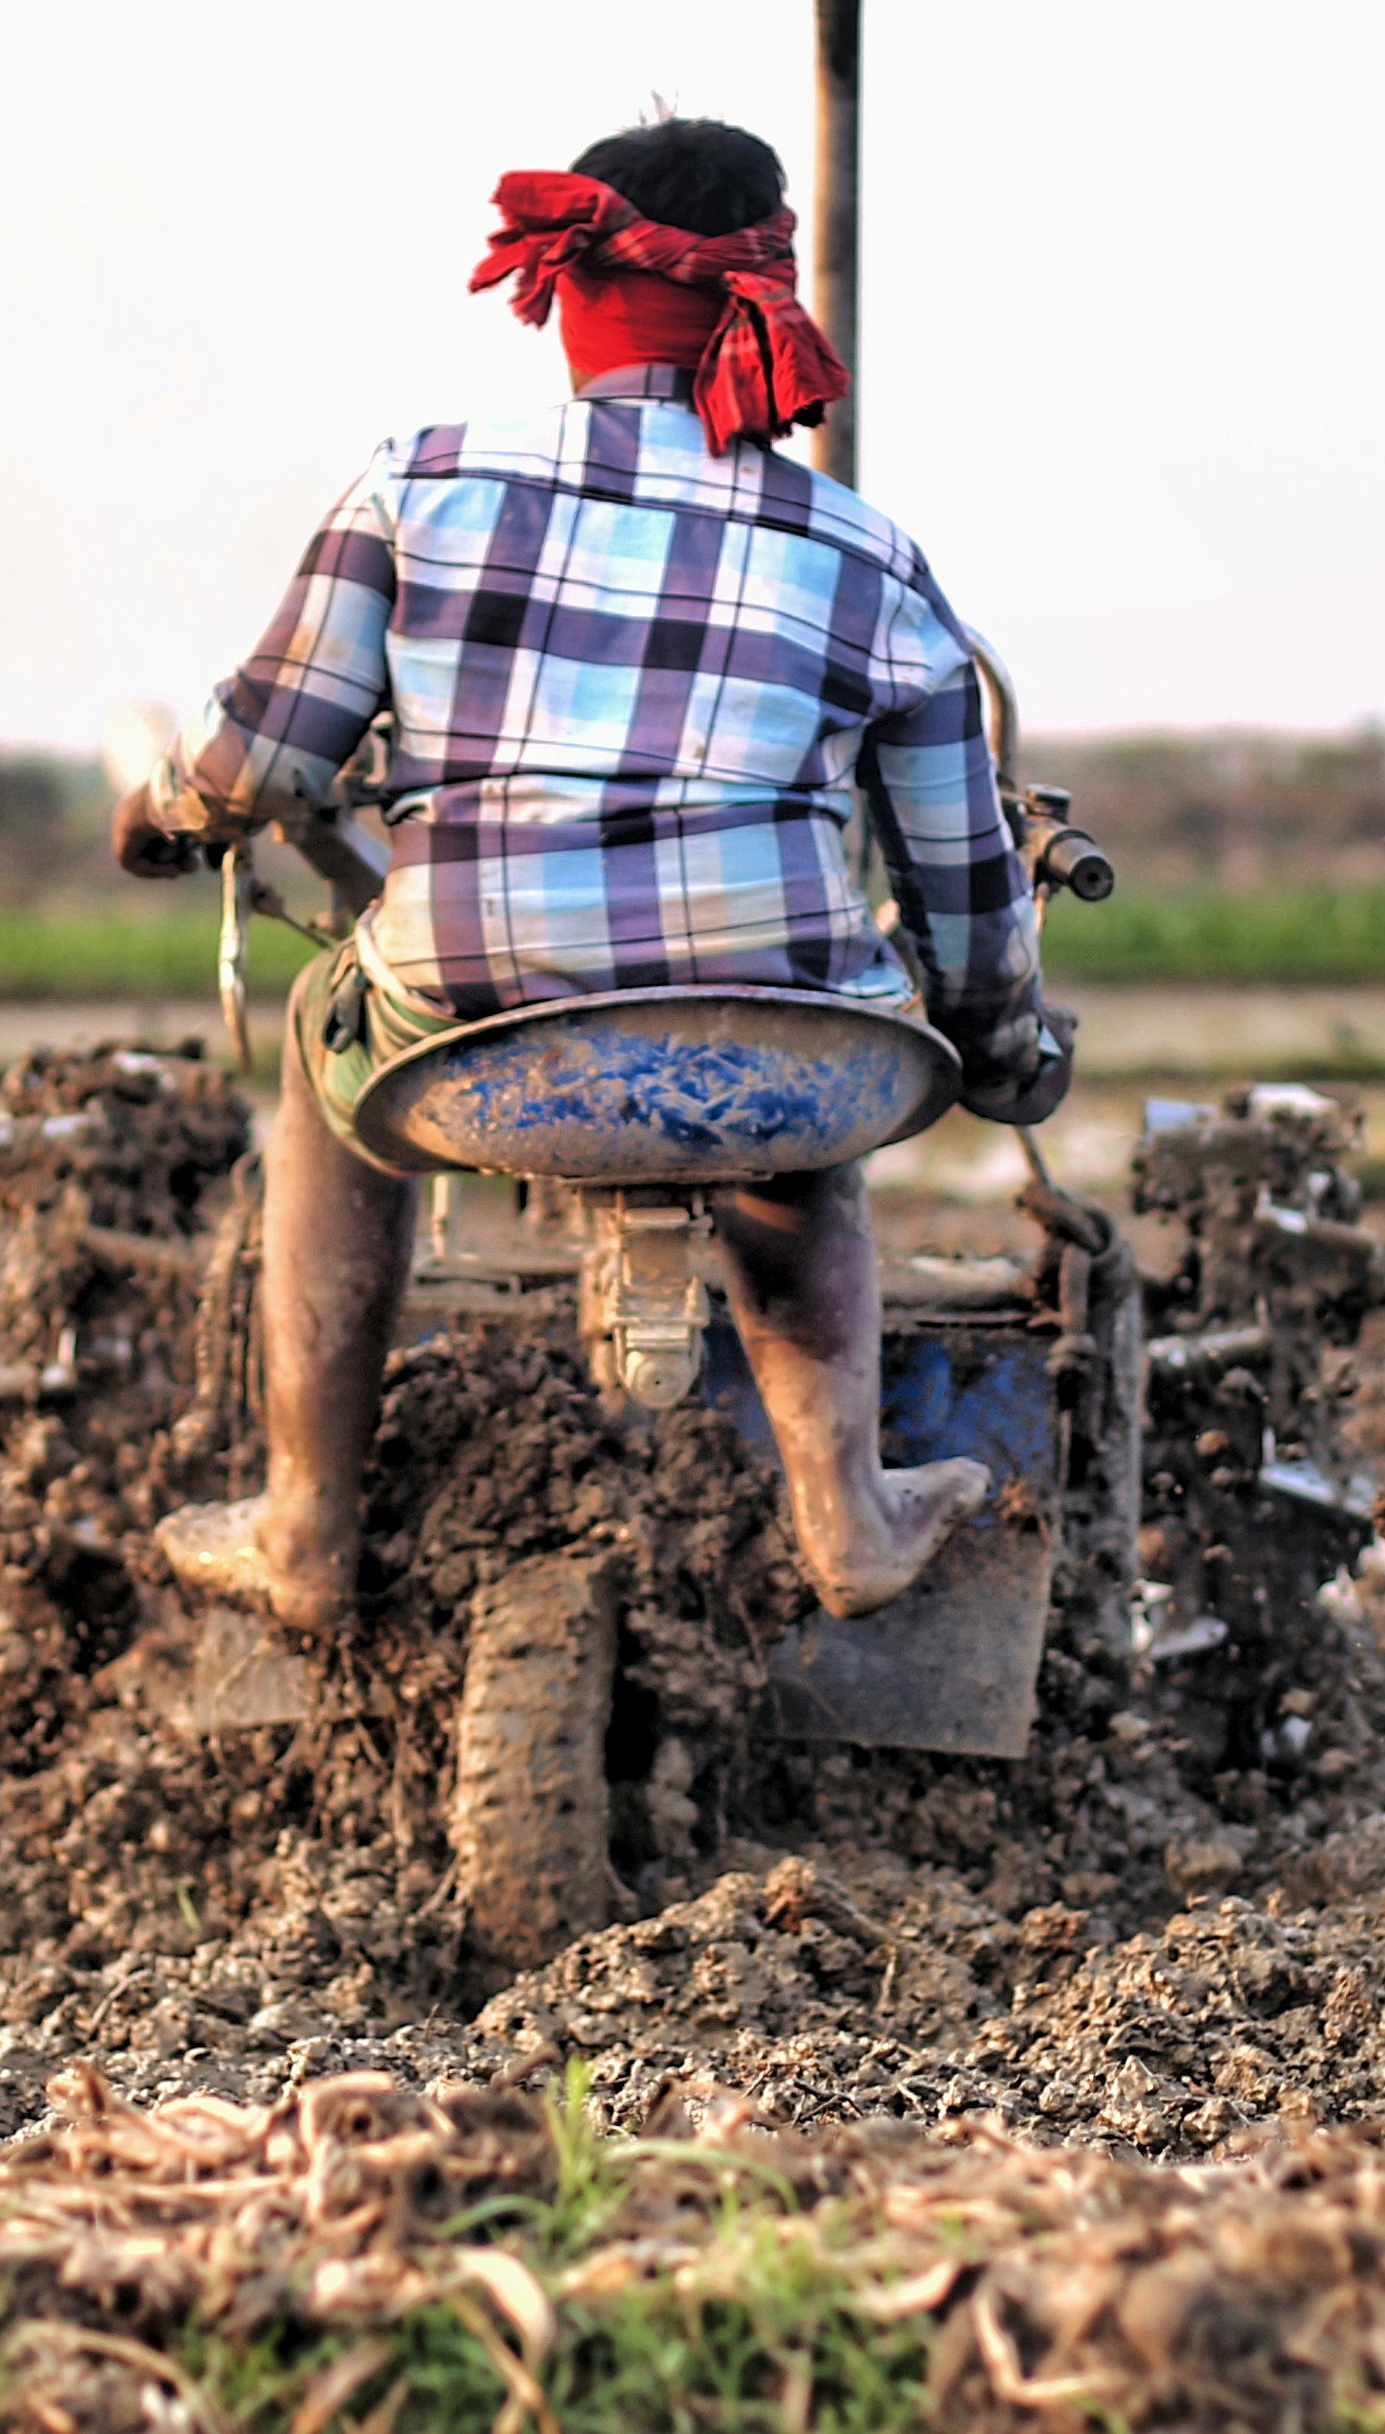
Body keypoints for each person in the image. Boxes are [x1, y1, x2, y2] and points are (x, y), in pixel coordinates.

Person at [110, 112, 1077, 1635]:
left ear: (564, 292)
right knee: (801, 1072)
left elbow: (260, 766)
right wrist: (1007, 1051)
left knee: (320, 1042)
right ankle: (853, 1518)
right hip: (786, 1049)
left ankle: (307, 1525)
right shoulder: (868, 552)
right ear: (764, 308)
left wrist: (165, 813)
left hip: (470, 1040)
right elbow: (962, 887)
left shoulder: (418, 484)